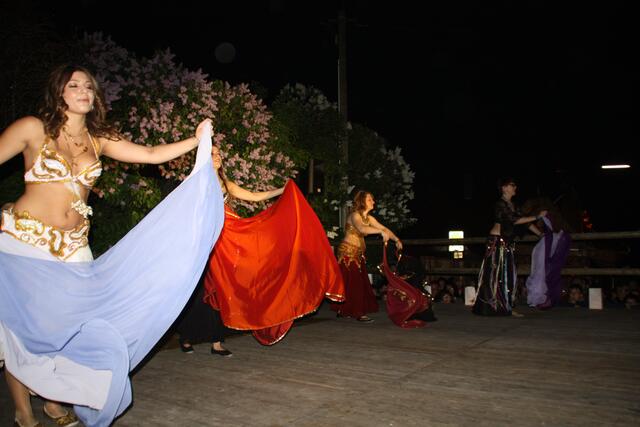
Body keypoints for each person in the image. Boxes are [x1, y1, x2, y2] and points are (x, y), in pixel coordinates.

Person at [0, 64, 224, 427]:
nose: (83, 91)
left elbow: (150, 153)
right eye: (74, 85)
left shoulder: (98, 139)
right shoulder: (32, 128)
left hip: (74, 247)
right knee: (22, 328)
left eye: (89, 86)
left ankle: (54, 401)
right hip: (25, 243)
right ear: (58, 92)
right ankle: (23, 411)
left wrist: (196, 140)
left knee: (71, 327)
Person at [204, 146, 345, 345]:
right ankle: (205, 339)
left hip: (233, 234)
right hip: (215, 237)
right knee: (219, 282)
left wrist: (282, 190)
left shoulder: (226, 184)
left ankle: (254, 318)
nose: (217, 156)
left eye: (219, 153)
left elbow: (255, 196)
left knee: (247, 276)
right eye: (212, 153)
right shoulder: (198, 183)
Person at [472, 178, 546, 317]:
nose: (515, 187)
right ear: (504, 188)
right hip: (496, 243)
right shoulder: (500, 205)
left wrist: (540, 234)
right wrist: (536, 216)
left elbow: (524, 222)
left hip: (507, 244)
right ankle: (493, 306)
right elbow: (513, 220)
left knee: (507, 275)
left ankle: (506, 307)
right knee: (495, 275)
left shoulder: (514, 205)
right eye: (512, 185)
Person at [331, 190, 402, 322]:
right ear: (362, 201)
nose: (373, 202)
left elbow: (384, 229)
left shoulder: (369, 218)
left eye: (372, 199)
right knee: (354, 282)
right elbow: (362, 229)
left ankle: (344, 309)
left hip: (358, 253)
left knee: (352, 282)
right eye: (369, 199)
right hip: (347, 252)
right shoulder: (354, 215)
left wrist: (396, 239)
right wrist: (380, 231)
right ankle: (358, 312)